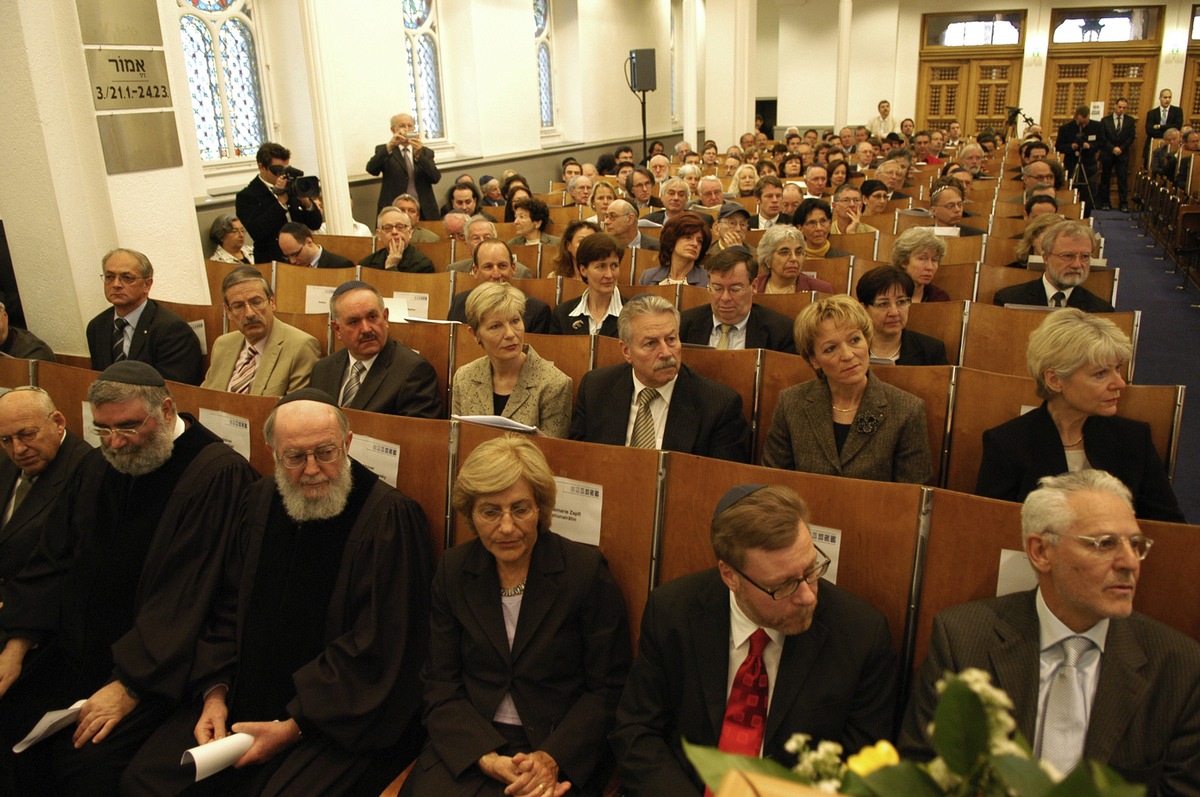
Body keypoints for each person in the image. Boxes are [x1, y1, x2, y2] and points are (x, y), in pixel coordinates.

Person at [121, 391, 434, 797]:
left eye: (326, 451)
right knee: (146, 780)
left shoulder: (387, 518)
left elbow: (380, 647)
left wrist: (294, 726)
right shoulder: (259, 502)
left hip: (330, 718)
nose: (312, 470)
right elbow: (226, 607)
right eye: (294, 457)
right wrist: (214, 694)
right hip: (241, 694)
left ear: (348, 442)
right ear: (271, 451)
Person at [0, 362, 256, 796]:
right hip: (78, 650)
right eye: (103, 429)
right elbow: (56, 558)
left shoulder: (215, 473)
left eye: (129, 427)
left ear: (168, 410)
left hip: (155, 669)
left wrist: (130, 685)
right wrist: (17, 645)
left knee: (82, 764)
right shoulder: (103, 463)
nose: (115, 442)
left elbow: (189, 596)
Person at [901, 470, 1200, 792]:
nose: (1130, 562)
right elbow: (925, 773)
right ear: (1041, 552)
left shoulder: (1179, 666)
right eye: (1105, 544)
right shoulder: (963, 638)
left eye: (1136, 544)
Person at [611, 483, 897, 795]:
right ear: (730, 576)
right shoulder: (673, 612)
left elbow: (861, 775)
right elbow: (636, 731)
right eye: (784, 585)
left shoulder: (861, 635)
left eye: (811, 569)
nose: (807, 596)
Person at [402, 436, 630, 796]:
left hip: (557, 744)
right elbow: (440, 683)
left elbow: (609, 689)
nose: (507, 528)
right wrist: (485, 756)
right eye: (490, 512)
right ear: (470, 515)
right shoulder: (454, 570)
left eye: (520, 509)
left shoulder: (584, 572)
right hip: (469, 742)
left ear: (541, 508)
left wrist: (551, 758)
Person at [976, 309, 1182, 522]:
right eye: (1100, 373)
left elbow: (1170, 529)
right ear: (1055, 380)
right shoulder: (1007, 444)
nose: (1120, 383)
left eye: (1117, 369)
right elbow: (992, 530)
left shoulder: (1134, 438)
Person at [762, 294, 932, 483]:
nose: (848, 355)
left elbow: (911, 496)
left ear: (867, 341)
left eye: (854, 340)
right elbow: (774, 482)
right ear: (814, 360)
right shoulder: (791, 403)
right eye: (830, 349)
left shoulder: (907, 410)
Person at [569, 295, 750, 462]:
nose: (665, 353)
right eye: (651, 343)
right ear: (627, 351)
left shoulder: (719, 406)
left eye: (671, 339)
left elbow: (722, 485)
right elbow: (578, 464)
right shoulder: (595, 388)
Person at [0, 387, 97, 605]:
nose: (18, 449)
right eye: (6, 439)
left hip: (34, 610)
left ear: (58, 422)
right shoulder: (6, 461)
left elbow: (68, 570)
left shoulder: (87, 472)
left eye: (27, 434)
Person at [452, 283, 572, 438]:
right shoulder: (463, 378)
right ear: (475, 334)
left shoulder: (554, 384)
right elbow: (456, 443)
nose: (510, 334)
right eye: (496, 326)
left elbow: (552, 455)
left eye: (515, 321)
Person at [310, 281, 442, 417]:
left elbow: (417, 436)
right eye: (354, 322)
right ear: (337, 329)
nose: (366, 329)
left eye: (372, 317)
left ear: (385, 318)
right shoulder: (322, 370)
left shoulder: (413, 372)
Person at [85, 248, 204, 385]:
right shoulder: (97, 326)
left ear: (147, 284)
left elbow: (173, 390)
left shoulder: (172, 330)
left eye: (127, 278)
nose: (116, 284)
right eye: (110, 277)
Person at [201, 266, 321, 396]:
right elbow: (204, 399)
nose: (249, 314)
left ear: (272, 302)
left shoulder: (301, 347)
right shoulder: (222, 344)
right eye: (238, 306)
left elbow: (293, 411)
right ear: (228, 312)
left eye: (256, 302)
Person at [679, 247, 796, 353]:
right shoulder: (683, 325)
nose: (725, 298)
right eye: (717, 288)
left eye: (735, 289)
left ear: (754, 286)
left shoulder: (781, 333)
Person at [994, 221, 1114, 311]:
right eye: (1067, 256)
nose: (1077, 265)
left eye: (1085, 257)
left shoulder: (1101, 311)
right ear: (1046, 258)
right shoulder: (1009, 301)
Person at [235, 142, 322, 264]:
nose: (283, 174)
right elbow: (257, 232)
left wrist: (306, 202)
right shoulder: (247, 196)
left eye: (286, 168)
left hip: (303, 258)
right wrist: (280, 202)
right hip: (273, 260)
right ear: (262, 167)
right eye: (278, 169)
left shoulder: (291, 186)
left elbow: (315, 224)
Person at [447, 239, 549, 332]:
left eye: (502, 266)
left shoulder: (537, 311)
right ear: (475, 271)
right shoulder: (460, 302)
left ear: (513, 268)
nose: (496, 274)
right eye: (488, 267)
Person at [855, 267, 948, 366]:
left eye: (901, 302)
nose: (894, 312)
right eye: (883, 304)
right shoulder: (851, 350)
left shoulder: (932, 351)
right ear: (864, 308)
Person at [366, 113, 441, 218]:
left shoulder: (425, 152)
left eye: (410, 126)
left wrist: (419, 156)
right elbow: (371, 169)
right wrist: (390, 146)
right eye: (402, 126)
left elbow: (435, 178)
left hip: (423, 210)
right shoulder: (385, 150)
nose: (406, 129)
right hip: (394, 209)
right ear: (393, 130)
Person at [550, 233, 623, 337]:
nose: (609, 275)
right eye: (601, 266)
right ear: (583, 270)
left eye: (614, 265)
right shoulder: (562, 314)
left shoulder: (634, 313)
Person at [752, 225, 835, 294]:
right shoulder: (753, 287)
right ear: (767, 260)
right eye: (784, 252)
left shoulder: (821, 290)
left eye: (798, 252)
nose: (794, 258)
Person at [638, 212, 711, 286]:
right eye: (688, 237)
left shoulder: (708, 280)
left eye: (699, 241)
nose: (695, 244)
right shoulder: (648, 277)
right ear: (672, 241)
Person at [358, 207, 436, 272]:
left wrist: (391, 266)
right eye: (388, 228)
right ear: (379, 234)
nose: (394, 232)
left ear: (409, 232)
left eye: (400, 227)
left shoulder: (423, 265)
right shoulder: (366, 265)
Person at [1056, 106, 1102, 204]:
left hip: (1089, 165)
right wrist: (1071, 147)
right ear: (1075, 117)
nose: (1083, 126)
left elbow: (1101, 143)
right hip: (1072, 164)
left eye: (1086, 123)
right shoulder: (1065, 128)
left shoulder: (1097, 126)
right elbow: (1059, 146)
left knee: (1088, 195)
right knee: (1070, 193)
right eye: (1081, 123)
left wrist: (1089, 146)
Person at [891, 227, 949, 303]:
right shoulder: (884, 293)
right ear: (904, 261)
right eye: (922, 258)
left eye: (934, 260)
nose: (930, 267)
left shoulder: (938, 298)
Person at [1099, 98, 1136, 212]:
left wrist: (1121, 148)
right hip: (1108, 153)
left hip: (1122, 154)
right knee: (1106, 178)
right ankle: (1105, 202)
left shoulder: (1130, 121)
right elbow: (1102, 137)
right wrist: (1112, 148)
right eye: (1120, 107)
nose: (1121, 110)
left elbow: (1131, 137)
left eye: (1124, 108)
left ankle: (1123, 203)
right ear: (1115, 106)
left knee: (1122, 179)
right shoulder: (1105, 120)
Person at [277, 222, 355, 269]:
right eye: (287, 256)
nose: (292, 261)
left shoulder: (341, 266)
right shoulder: (286, 268)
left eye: (295, 254)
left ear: (308, 242)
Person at [1144, 87, 1184, 161]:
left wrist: (1160, 127)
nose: (1167, 100)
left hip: (1171, 146)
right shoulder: (1152, 113)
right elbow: (1149, 130)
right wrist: (1167, 134)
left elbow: (1177, 127)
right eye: (1165, 97)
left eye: (1169, 97)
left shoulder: (1177, 111)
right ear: (1160, 98)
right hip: (1153, 144)